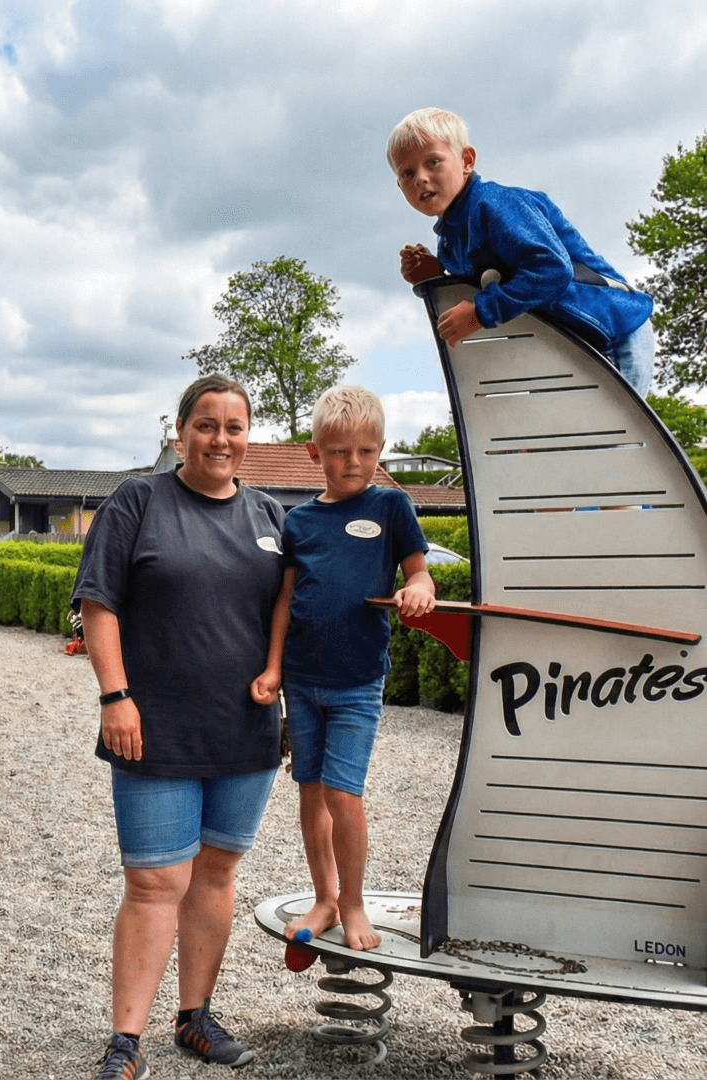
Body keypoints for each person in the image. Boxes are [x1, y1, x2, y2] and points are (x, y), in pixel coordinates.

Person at [73, 374, 284, 1079]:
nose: (220, 439)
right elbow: (99, 604)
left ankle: (195, 1017)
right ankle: (125, 1041)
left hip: (245, 733)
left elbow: (300, 612)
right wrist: (115, 695)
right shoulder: (140, 501)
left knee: (216, 873)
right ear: (180, 433)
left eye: (233, 426)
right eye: (206, 425)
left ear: (247, 436)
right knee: (154, 883)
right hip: (152, 728)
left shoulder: (270, 516)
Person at [251, 386, 435, 952]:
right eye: (337, 452)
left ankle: (354, 904)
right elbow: (285, 598)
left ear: (381, 450)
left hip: (357, 682)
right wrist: (273, 669)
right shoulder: (299, 521)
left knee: (343, 794)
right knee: (310, 792)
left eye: (365, 451)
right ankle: (324, 897)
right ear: (314, 453)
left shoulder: (391, 507)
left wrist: (418, 589)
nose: (352, 463)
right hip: (302, 682)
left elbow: (419, 573)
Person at [391, 107, 655, 396]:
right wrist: (435, 276)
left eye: (433, 162)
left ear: (466, 161)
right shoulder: (451, 238)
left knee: (610, 434)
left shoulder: (496, 205)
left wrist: (482, 311)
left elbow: (552, 270)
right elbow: (479, 284)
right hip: (567, 344)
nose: (421, 178)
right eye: (407, 172)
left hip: (613, 330)